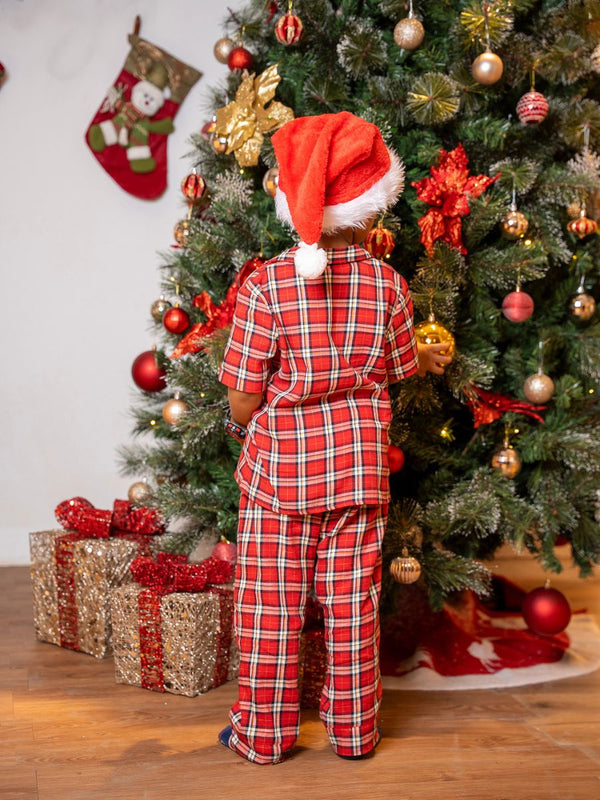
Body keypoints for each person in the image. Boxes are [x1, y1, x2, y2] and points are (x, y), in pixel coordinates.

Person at [217, 111, 452, 764]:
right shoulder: (388, 285)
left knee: (271, 616)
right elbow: (403, 367)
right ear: (372, 207)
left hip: (279, 484)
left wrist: (243, 422)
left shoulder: (266, 287)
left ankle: (264, 737)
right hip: (357, 475)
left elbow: (242, 393)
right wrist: (429, 360)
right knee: (351, 613)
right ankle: (354, 733)